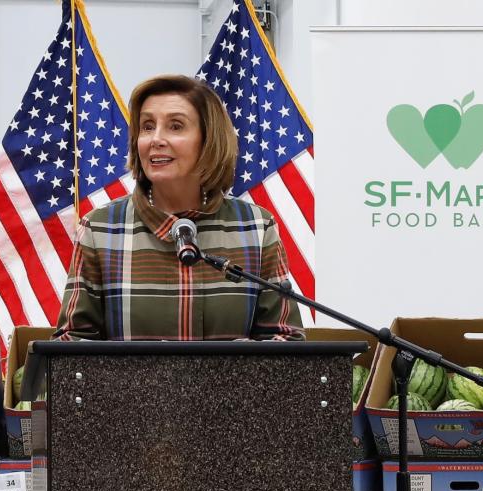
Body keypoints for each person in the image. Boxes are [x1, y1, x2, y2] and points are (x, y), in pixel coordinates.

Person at [55, 74, 304, 342]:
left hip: (231, 386)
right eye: (147, 126)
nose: (156, 139)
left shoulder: (256, 227)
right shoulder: (101, 229)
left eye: (175, 126)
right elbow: (70, 347)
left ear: (209, 140)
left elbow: (286, 342)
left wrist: (235, 368)